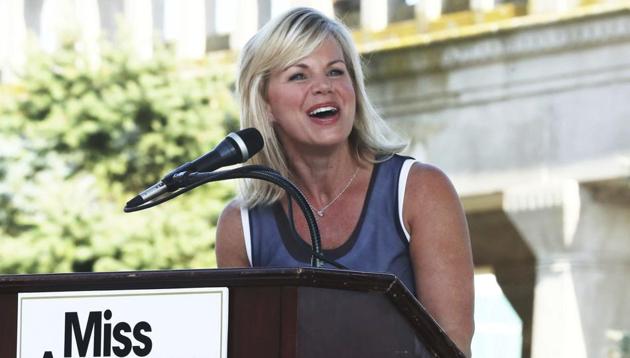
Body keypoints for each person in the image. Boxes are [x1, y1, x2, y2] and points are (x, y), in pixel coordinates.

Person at [215, 7, 474, 356]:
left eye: (336, 71)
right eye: (298, 76)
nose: (324, 87)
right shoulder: (240, 226)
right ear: (266, 103)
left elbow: (452, 346)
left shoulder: (420, 191)